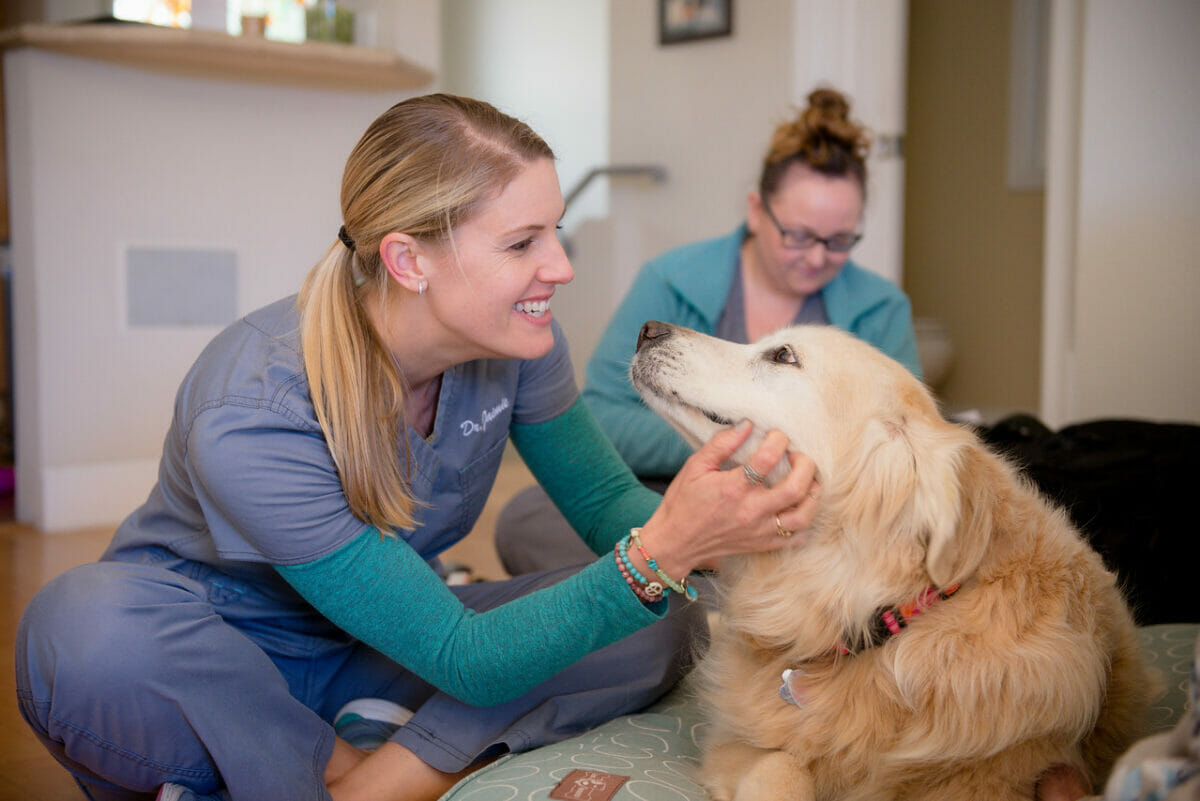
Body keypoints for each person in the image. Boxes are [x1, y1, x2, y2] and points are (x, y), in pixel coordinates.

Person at [13, 94, 821, 801]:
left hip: (381, 643)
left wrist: (726, 539)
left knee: (658, 616)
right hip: (218, 653)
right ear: (408, 260)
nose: (561, 267)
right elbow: (461, 656)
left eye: (556, 234)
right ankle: (358, 754)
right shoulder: (253, 406)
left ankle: (358, 779)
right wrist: (666, 545)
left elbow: (608, 504)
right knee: (80, 634)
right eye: (523, 243)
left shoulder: (517, 346)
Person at [497, 86, 921, 575]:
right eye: (799, 236)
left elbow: (894, 462)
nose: (818, 256)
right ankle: (710, 573)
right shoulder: (671, 279)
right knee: (527, 520)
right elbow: (601, 420)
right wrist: (725, 440)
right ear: (757, 211)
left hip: (806, 521)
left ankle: (695, 590)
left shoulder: (881, 310)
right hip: (663, 490)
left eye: (840, 240)